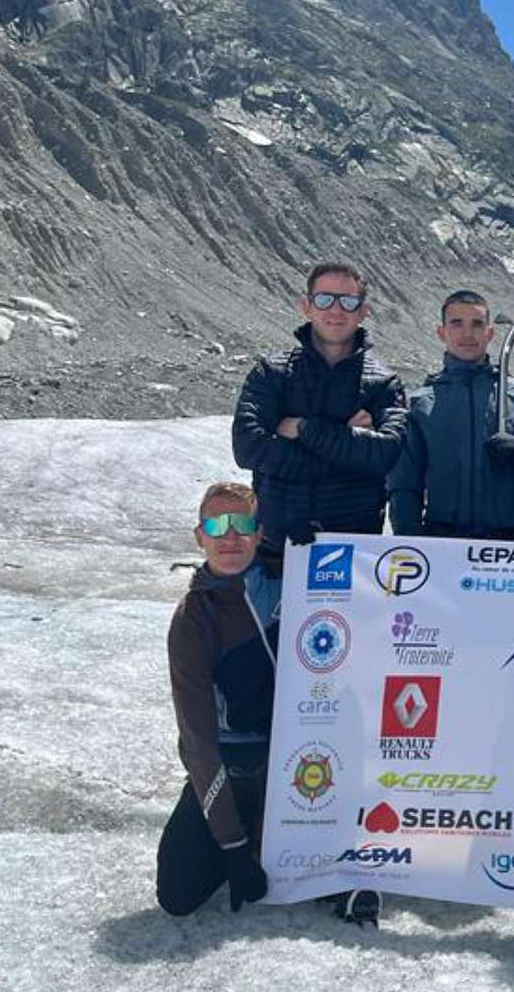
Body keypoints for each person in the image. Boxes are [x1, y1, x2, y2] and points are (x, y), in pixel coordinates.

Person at [157, 483, 279, 917]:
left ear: (259, 533)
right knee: (177, 893)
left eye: (242, 523)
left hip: (294, 760)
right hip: (230, 761)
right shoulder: (193, 618)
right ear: (199, 536)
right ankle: (242, 823)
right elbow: (198, 742)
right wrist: (233, 844)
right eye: (216, 525)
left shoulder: (291, 586)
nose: (230, 536)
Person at [232, 262, 407, 562]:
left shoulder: (384, 384)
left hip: (353, 557)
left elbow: (385, 455)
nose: (336, 310)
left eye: (348, 301)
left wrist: (302, 429)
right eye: (325, 299)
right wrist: (347, 448)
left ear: (363, 311)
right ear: (307, 307)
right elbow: (247, 448)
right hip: (276, 551)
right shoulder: (272, 373)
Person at [389, 289, 514, 538]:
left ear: (490, 333)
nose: (468, 333)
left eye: (477, 324)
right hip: (443, 540)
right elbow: (405, 484)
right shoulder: (420, 405)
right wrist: (409, 539)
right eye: (457, 323)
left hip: (511, 544)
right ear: (442, 332)